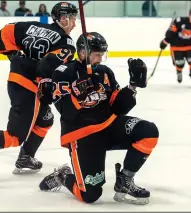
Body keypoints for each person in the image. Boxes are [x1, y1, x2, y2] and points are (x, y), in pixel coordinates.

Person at [0, 2, 78, 175]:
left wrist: (14, 56)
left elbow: (0, 35)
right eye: (72, 19)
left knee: (45, 119)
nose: (75, 23)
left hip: (16, 80)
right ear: (63, 19)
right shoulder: (66, 42)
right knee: (15, 136)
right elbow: (45, 68)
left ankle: (26, 157)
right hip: (31, 88)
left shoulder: (32, 26)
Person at [38, 32, 159, 205]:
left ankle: (125, 180)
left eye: (102, 55)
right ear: (82, 52)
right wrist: (79, 97)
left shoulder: (104, 72)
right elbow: (66, 112)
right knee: (90, 195)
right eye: (96, 55)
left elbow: (118, 108)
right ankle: (63, 176)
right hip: (82, 134)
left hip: (108, 126)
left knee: (148, 131)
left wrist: (132, 86)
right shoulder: (64, 72)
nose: (100, 59)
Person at [159, 8, 191, 87]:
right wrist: (165, 41)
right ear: (189, 15)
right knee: (180, 63)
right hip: (176, 47)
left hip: (188, 47)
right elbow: (171, 31)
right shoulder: (180, 21)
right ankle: (179, 71)